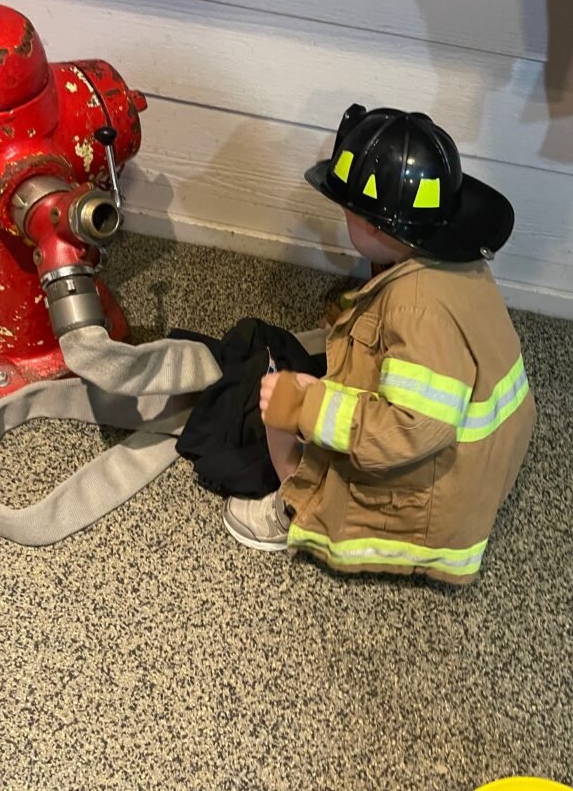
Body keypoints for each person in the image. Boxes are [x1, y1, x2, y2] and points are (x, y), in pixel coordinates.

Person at [222, 105, 536, 585]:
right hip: (483, 460)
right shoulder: (451, 266)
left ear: (375, 226)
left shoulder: (416, 308)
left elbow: (413, 430)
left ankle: (293, 511)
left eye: (347, 211)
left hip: (440, 500)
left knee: (279, 404)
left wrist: (308, 406)